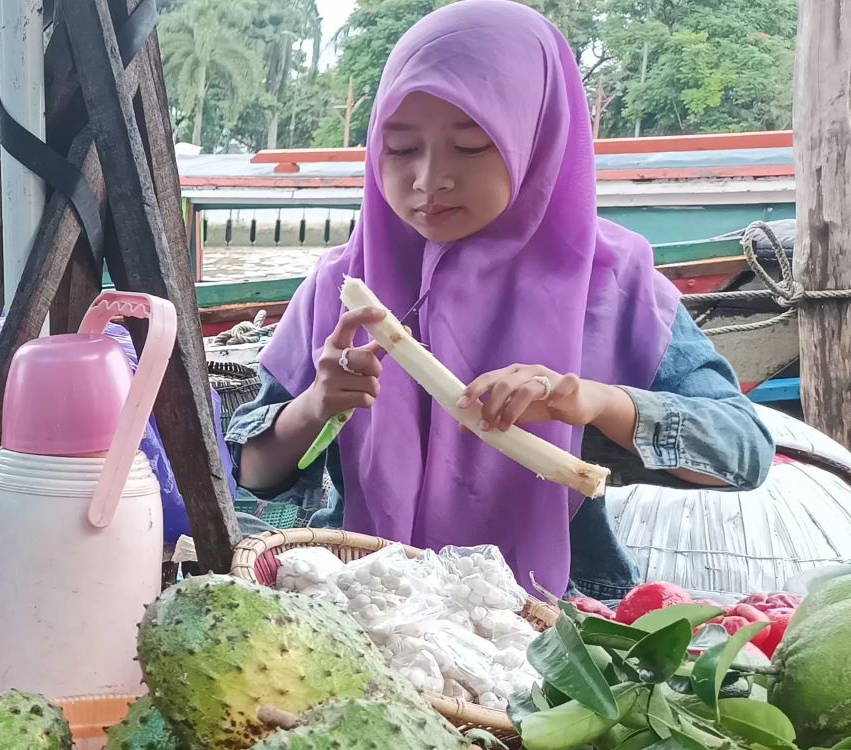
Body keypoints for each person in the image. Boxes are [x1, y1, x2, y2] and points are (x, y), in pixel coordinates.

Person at [229, 0, 771, 602]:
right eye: (402, 148)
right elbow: (253, 473)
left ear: (535, 139)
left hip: (551, 627)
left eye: (470, 146)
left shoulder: (616, 286)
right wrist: (317, 405)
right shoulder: (342, 286)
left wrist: (590, 402)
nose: (429, 179)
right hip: (359, 607)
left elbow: (742, 454)